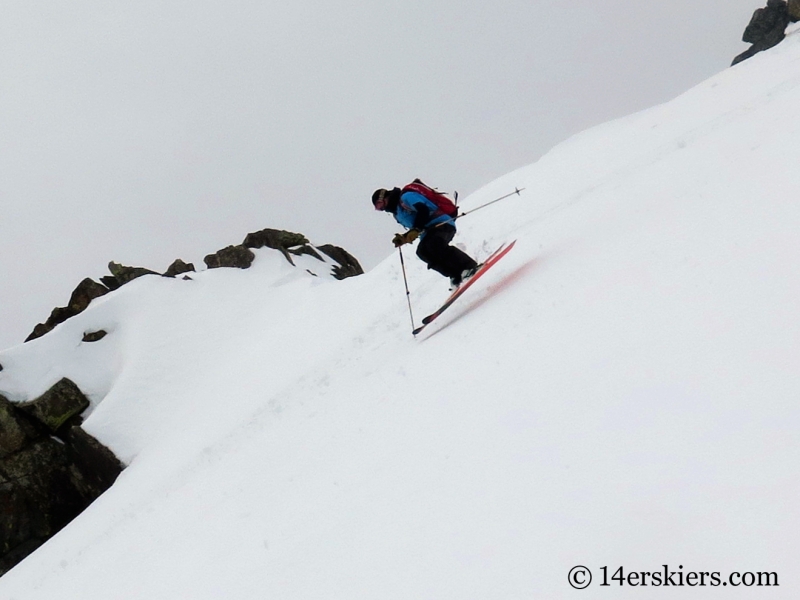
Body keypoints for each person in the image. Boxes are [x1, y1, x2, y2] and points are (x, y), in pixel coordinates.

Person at [372, 184, 479, 290]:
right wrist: (405, 237)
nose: (382, 209)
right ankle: (455, 274)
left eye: (380, 204)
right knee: (423, 252)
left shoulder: (406, 197)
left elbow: (423, 210)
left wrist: (416, 229)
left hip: (441, 223)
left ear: (385, 197)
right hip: (429, 232)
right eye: (378, 208)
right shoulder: (397, 213)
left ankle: (469, 266)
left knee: (435, 244)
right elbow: (415, 225)